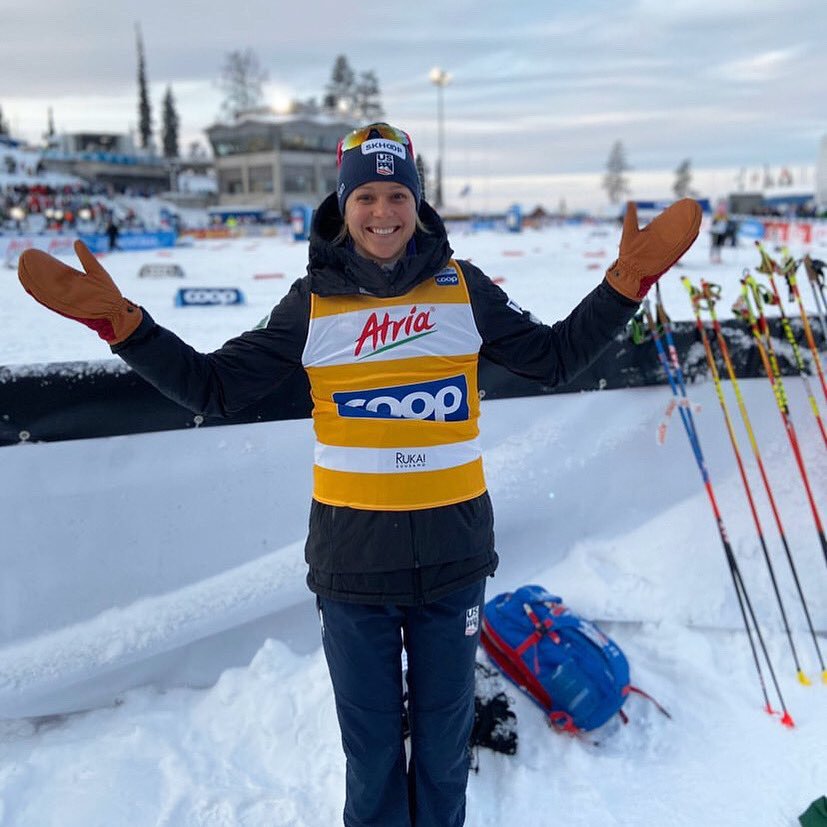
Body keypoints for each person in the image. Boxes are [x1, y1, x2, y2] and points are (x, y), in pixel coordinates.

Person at [18, 122, 701, 827]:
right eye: (366, 196)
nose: (383, 211)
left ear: (417, 202)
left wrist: (624, 286)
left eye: (396, 194)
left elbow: (555, 357)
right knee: (372, 756)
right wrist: (125, 326)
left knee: (441, 752)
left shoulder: (462, 288)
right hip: (353, 569)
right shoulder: (311, 302)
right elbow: (213, 389)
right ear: (342, 206)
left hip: (453, 558)